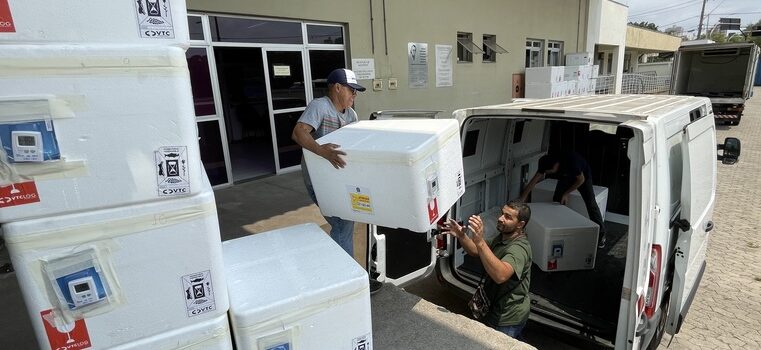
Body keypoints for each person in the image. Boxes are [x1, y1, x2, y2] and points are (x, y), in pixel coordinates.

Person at [291, 68, 382, 293]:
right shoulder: (320, 106)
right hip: (319, 180)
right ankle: (348, 281)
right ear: (337, 88)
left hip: (340, 180)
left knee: (345, 224)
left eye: (356, 92)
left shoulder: (350, 115)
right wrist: (322, 151)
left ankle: (343, 276)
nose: (355, 95)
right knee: (342, 225)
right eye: (352, 90)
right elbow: (299, 133)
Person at [441, 201, 532, 340]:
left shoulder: (519, 249)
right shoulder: (502, 237)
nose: (501, 218)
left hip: (507, 317)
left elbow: (500, 275)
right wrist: (461, 235)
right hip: (495, 309)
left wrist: (480, 241)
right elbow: (475, 251)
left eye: (508, 217)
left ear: (520, 224)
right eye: (502, 213)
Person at [519, 152, 607, 248]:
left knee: (591, 204)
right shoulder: (544, 162)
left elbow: (580, 179)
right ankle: (557, 229)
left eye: (549, 171)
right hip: (566, 176)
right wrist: (521, 199)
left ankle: (601, 235)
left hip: (583, 176)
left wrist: (566, 193)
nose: (546, 173)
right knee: (556, 199)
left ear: (556, 165)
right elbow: (533, 181)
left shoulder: (572, 162)